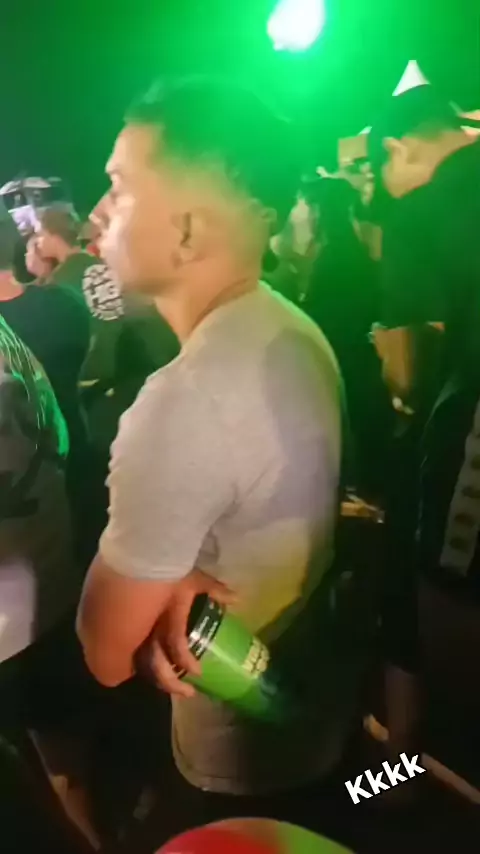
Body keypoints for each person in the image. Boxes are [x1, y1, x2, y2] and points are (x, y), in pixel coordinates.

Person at [77, 77, 375, 818]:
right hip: (315, 701)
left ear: (187, 232)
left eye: (119, 186)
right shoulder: (287, 323)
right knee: (349, 805)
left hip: (233, 761)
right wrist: (168, 576)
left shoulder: (184, 402)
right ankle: (378, 792)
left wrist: (162, 588)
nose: (98, 211)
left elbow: (105, 654)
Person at [369, 85, 480, 763]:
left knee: (427, 600)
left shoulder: (424, 210)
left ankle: (397, 775)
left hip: (465, 447)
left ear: (397, 148)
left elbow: (407, 371)